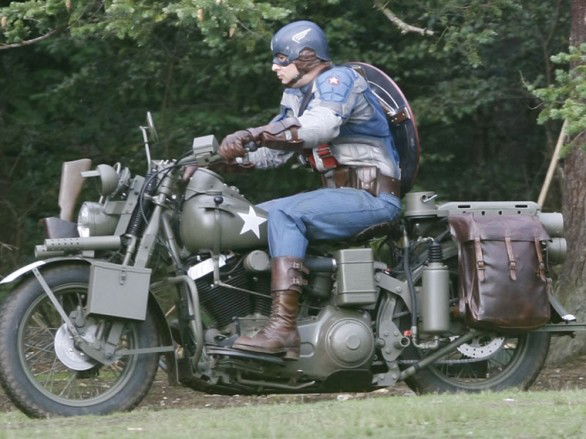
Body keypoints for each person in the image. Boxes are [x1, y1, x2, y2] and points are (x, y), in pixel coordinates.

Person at [218, 20, 402, 359]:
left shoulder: (338, 80)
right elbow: (272, 153)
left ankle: (283, 329)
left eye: (281, 58)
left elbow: (321, 126)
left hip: (372, 197)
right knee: (248, 218)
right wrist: (217, 162)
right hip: (340, 197)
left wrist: (253, 132)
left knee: (287, 213)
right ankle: (245, 319)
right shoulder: (297, 96)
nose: (274, 66)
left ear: (306, 56)